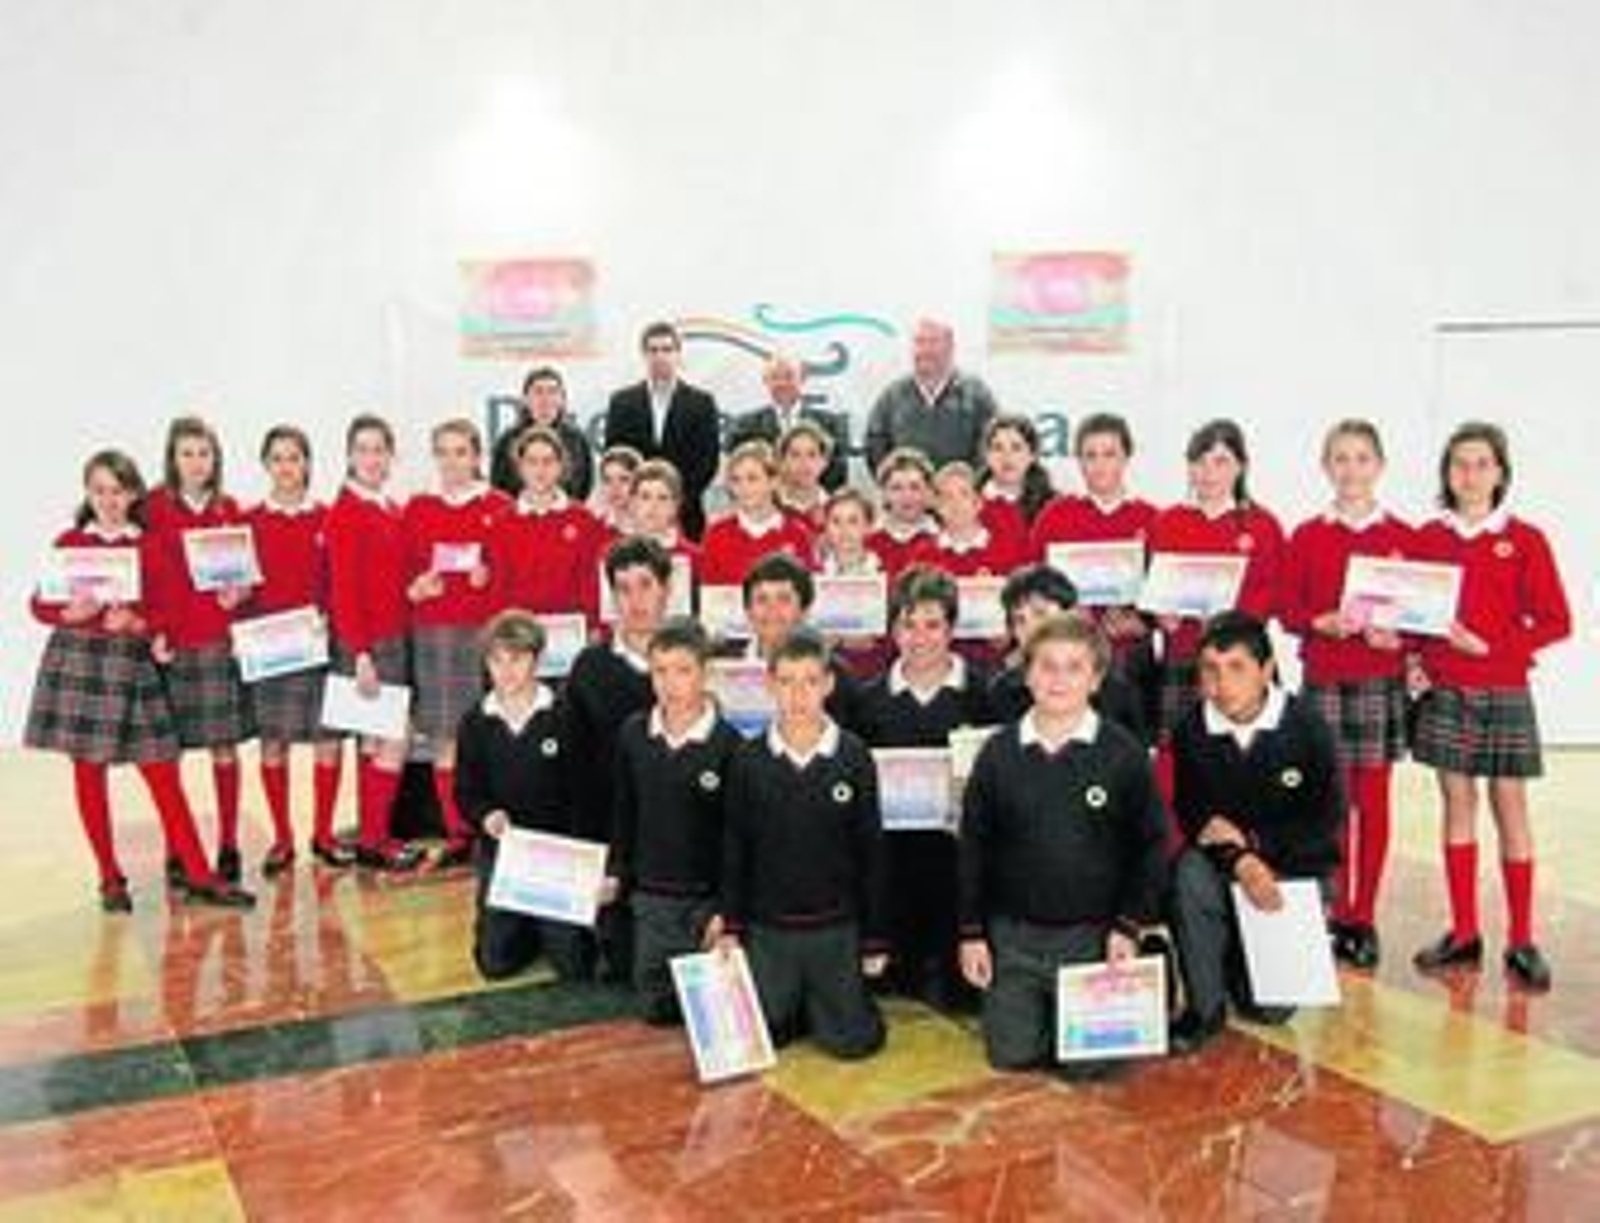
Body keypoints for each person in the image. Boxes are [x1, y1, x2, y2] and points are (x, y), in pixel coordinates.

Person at [25, 450, 255, 910]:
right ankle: (109, 878)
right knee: (89, 774)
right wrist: (66, 612)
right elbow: (38, 603)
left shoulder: (146, 546)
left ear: (132, 494)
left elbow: (168, 609)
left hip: (132, 665)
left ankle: (198, 875)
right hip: (81, 664)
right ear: (88, 494)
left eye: (118, 491)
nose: (109, 500)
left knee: (163, 771)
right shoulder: (70, 541)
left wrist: (139, 624)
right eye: (99, 491)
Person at [958, 614, 1166, 1074]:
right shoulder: (998, 753)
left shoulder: (1123, 753)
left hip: (1093, 938)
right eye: (1047, 666)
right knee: (1011, 1056)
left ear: (1095, 679)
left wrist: (1129, 925)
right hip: (1014, 937)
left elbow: (1151, 846)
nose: (1058, 679)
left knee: (1090, 1071)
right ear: (1026, 673)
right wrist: (972, 933)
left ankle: (1139, 982)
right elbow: (973, 846)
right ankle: (1037, 1010)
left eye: (1074, 667)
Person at [1409, 422, 1572, 992]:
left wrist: (1493, 647)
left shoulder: (1525, 539)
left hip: (1503, 688)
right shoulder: (1429, 537)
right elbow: (1416, 616)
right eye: (1459, 464)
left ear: (1500, 473)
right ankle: (1464, 933)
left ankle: (1523, 939)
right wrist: (1416, 657)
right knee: (1457, 804)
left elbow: (1557, 621)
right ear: (1446, 474)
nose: (1470, 475)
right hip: (1448, 690)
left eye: (1481, 464)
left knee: (1510, 809)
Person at [1166, 612, 1344, 1054]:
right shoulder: (1192, 730)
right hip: (1225, 864)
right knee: (1188, 873)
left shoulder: (1309, 727)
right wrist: (1242, 860)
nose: (1221, 683)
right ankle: (1203, 1008)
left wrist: (1257, 847)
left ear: (1266, 670)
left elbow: (1324, 821)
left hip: (1292, 871)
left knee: (1268, 1011)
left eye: (1237, 668)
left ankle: (1235, 959)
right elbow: (1198, 820)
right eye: (1210, 669)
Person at [717, 629, 889, 1059]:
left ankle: (828, 1002)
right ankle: (796, 1000)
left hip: (835, 925)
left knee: (853, 1043)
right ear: (770, 685)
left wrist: (874, 938)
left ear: (828, 685)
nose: (798, 694)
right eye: (787, 681)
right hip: (770, 926)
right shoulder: (749, 759)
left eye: (810, 681)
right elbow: (735, 846)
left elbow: (871, 851)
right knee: (760, 1037)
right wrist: (732, 926)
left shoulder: (853, 755)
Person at [1281, 420, 1414, 969]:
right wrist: (1321, 621)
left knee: (1374, 801)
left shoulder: (1406, 536)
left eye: (1362, 458)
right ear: (1325, 466)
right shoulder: (1307, 535)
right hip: (1325, 678)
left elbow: (1423, 615)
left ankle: (1364, 915)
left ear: (1379, 466)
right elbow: (1287, 611)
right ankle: (1333, 910)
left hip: (1379, 679)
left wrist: (1399, 636)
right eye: (1340, 458)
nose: (1351, 469)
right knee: (1330, 802)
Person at [856, 565, 993, 1007]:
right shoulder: (868, 701)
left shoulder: (984, 694)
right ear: (892, 630)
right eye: (907, 625)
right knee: (894, 991)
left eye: (932, 625)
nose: (919, 637)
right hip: (891, 866)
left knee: (963, 996)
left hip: (961, 865)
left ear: (952, 628)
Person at [609, 618, 742, 1024]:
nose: (670, 683)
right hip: (652, 896)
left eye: (683, 670)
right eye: (660, 671)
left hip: (705, 901)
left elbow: (737, 839)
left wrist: (727, 911)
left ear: (706, 673)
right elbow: (623, 812)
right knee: (656, 1010)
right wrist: (618, 872)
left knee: (716, 1016)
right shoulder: (633, 733)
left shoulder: (730, 745)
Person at [1146, 420, 1285, 800]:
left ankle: (1242, 852)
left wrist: (1228, 624)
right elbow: (1151, 592)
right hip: (1183, 660)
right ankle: (1172, 852)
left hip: (1243, 666)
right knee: (1175, 762)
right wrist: (1160, 615)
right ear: (1188, 466)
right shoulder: (1167, 522)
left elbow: (1274, 595)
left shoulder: (1263, 525)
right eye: (1200, 461)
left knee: (1245, 761)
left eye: (1221, 461)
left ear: (1241, 466)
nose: (1209, 472)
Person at [144, 415, 256, 884]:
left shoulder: (230, 510)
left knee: (223, 749)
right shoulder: (151, 508)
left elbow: (247, 577)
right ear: (172, 458)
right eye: (186, 453)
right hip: (171, 647)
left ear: (216, 459)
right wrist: (154, 630)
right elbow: (142, 576)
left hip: (218, 645)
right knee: (170, 756)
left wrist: (241, 593)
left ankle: (229, 842)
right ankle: (177, 844)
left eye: (204, 453)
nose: (195, 462)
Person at [561, 537, 674, 980]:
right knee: (620, 966)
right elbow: (575, 771)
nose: (636, 600)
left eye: (645, 585)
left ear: (666, 589)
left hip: (675, 839)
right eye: (623, 588)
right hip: (614, 834)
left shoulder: (692, 659)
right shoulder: (590, 668)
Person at [458, 611, 591, 982]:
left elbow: (583, 791)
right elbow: (466, 791)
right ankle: (525, 927)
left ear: (536, 660)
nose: (507, 670)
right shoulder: (475, 721)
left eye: (516, 658)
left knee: (574, 967)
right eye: (496, 660)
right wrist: (486, 817)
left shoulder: (564, 715)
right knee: (494, 965)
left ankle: (550, 927)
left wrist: (579, 858)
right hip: (504, 853)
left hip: (557, 852)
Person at [403, 420, 511, 868]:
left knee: (492, 738)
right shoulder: (418, 508)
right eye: (443, 452)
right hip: (437, 634)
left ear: (477, 456)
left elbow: (512, 578)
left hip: (488, 637)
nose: (452, 462)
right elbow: (403, 579)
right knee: (445, 739)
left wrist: (489, 581)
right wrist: (417, 589)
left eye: (461, 452)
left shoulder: (501, 507)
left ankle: (497, 833)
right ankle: (458, 834)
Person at [244, 426, 348, 873]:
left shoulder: (328, 517)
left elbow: (340, 580)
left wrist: (329, 615)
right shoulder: (249, 522)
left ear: (307, 463)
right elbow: (241, 589)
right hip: (270, 653)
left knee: (328, 744)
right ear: (266, 465)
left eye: (294, 458)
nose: (287, 467)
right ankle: (282, 838)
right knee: (274, 745)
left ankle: (323, 834)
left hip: (319, 647)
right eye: (278, 458)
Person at [323, 414, 421, 871]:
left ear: (391, 456)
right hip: (367, 644)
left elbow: (392, 579)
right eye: (362, 450)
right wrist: (360, 653)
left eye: (379, 450)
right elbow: (343, 590)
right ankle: (376, 839)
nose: (371, 458)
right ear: (349, 456)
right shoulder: (345, 512)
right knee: (393, 741)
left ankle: (369, 834)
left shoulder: (389, 507)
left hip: (392, 637)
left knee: (372, 744)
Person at [988, 564, 1145, 739]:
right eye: (1019, 620)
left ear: (1071, 615)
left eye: (1040, 613)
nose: (1030, 628)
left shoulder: (1115, 693)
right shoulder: (1002, 692)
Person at [603, 321, 720, 539]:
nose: (660, 356)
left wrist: (672, 501)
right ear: (644, 355)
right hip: (633, 516)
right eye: (653, 350)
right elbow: (616, 457)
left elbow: (707, 462)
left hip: (686, 515)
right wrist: (641, 501)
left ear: (678, 354)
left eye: (667, 349)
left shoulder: (702, 402)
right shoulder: (622, 402)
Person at [491, 426, 607, 622]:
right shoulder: (501, 521)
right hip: (519, 633)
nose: (540, 469)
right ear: (520, 467)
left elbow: (591, 581)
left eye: (548, 461)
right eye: (532, 461)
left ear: (561, 466)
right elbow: (498, 585)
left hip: (569, 630)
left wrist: (593, 624)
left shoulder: (584, 520)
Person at [865, 318, 998, 470]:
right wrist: (896, 484)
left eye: (933, 342)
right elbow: (875, 445)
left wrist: (967, 485)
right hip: (909, 493)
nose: (925, 350)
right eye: (919, 342)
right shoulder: (892, 396)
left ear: (950, 347)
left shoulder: (976, 394)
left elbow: (992, 446)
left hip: (958, 492)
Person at [726, 354, 850, 490]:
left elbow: (838, 473)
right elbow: (736, 473)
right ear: (765, 381)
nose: (782, 383)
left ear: (802, 378)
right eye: (775, 377)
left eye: (789, 376)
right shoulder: (744, 426)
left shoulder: (831, 424)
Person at [699, 440, 812, 588]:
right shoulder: (716, 535)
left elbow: (807, 595)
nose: (743, 488)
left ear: (773, 482)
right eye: (736, 480)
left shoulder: (798, 534)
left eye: (752, 479)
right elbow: (709, 596)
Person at [489, 366, 595, 501]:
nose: (546, 399)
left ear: (562, 399)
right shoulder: (507, 440)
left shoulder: (578, 440)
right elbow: (499, 489)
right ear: (525, 399)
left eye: (553, 392)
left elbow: (585, 487)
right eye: (538, 391)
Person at [978, 413, 1052, 551]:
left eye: (1016, 448)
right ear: (987, 456)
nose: (1007, 457)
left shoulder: (1051, 505)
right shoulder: (969, 500)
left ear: (1032, 455)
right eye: (998, 448)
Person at [867, 448, 939, 579]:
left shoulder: (941, 540)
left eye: (915, 487)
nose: (906, 496)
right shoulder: (868, 540)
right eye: (896, 488)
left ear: (929, 492)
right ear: (884, 494)